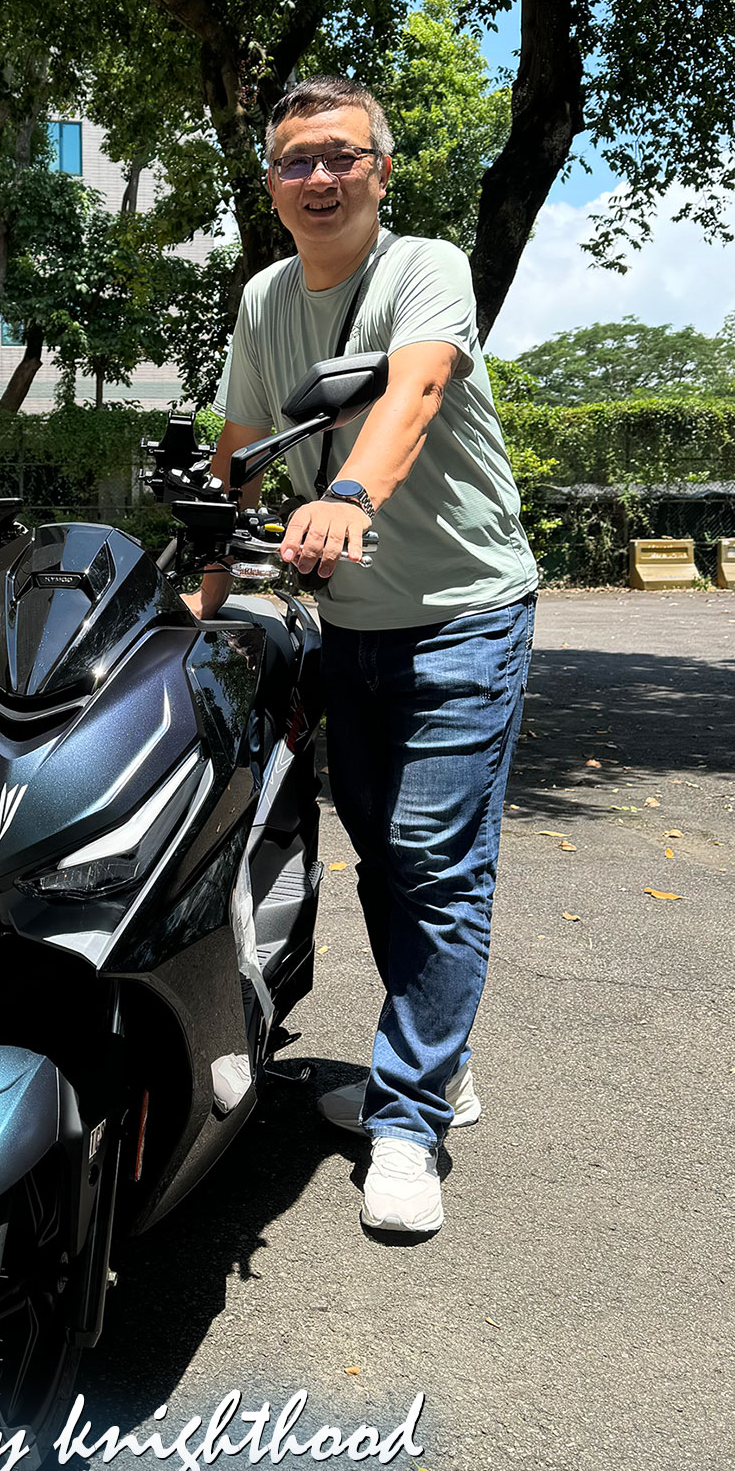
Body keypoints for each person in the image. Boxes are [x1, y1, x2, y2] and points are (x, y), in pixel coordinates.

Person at [185, 75, 538, 1237]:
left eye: (342, 155)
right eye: (297, 160)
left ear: (381, 171)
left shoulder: (425, 267)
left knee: (434, 861)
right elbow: (238, 455)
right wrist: (195, 596)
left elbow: (414, 389)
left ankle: (409, 1120)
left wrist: (344, 496)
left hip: (463, 613)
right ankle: (438, 1063)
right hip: (350, 628)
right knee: (385, 860)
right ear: (272, 185)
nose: (320, 177)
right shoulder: (264, 298)